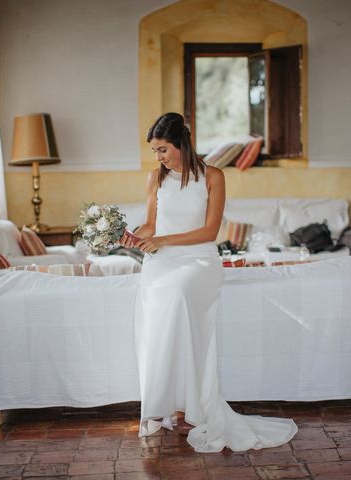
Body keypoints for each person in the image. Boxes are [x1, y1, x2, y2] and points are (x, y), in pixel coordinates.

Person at [120, 112, 298, 453]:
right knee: (160, 305)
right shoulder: (154, 178)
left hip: (200, 259)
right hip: (161, 262)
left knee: (178, 293)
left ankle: (195, 403)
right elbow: (152, 225)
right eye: (155, 151)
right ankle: (163, 405)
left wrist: (163, 241)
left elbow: (210, 232)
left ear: (181, 144)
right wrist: (130, 236)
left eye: (162, 150)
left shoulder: (213, 176)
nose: (158, 157)